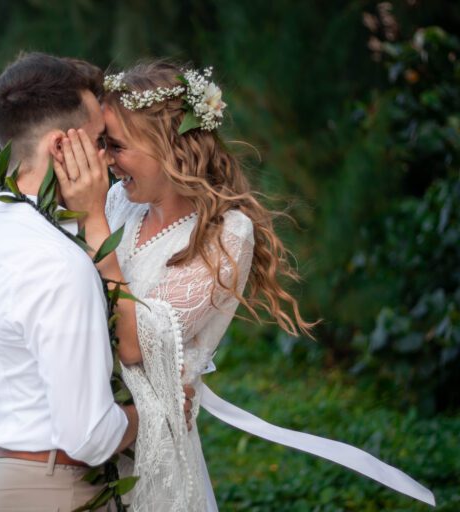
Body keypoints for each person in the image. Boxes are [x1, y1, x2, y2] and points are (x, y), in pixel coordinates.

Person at [53, 60, 436, 510]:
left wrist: (94, 224)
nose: (106, 161)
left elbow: (135, 346)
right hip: (86, 433)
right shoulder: (118, 203)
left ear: (171, 145)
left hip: (151, 461)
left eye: (115, 145)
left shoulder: (225, 234)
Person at [0, 52, 196, 511]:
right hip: (52, 491)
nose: (107, 158)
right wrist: (156, 412)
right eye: (101, 140)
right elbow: (89, 436)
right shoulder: (62, 263)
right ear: (63, 148)